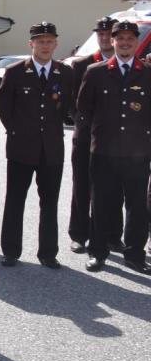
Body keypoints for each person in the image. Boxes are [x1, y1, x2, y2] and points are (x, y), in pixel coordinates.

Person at [0, 22, 75, 269]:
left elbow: (67, 106)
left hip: (51, 149)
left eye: (49, 41)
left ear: (56, 44)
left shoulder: (65, 73)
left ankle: (48, 253)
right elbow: (4, 106)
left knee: (49, 202)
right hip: (21, 147)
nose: (45, 45)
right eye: (40, 41)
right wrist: (16, 131)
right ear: (31, 44)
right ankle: (11, 251)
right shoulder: (15, 72)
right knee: (15, 199)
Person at [76, 19, 151, 274]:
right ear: (113, 41)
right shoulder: (96, 72)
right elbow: (84, 109)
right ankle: (97, 253)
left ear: (137, 42)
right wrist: (97, 136)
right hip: (104, 152)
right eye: (120, 38)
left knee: (137, 206)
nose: (125, 43)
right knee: (101, 204)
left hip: (138, 153)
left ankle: (135, 254)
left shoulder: (147, 72)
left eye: (130, 38)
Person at [68, 16, 120, 254]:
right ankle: (79, 234)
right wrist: (85, 124)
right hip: (87, 136)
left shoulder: (127, 64)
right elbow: (72, 102)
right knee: (82, 186)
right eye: (101, 34)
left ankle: (112, 235)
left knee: (115, 189)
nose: (105, 38)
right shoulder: (82, 65)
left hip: (116, 140)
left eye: (109, 33)